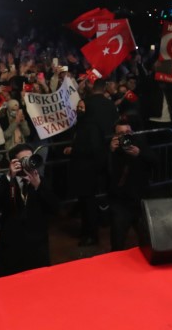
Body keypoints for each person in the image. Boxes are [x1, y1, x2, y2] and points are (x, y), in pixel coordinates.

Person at [0, 143, 58, 277]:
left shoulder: (41, 180)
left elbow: (55, 208)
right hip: (11, 247)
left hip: (37, 246)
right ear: (13, 162)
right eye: (23, 160)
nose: (28, 163)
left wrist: (38, 186)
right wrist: (9, 177)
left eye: (30, 158)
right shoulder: (6, 181)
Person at [64, 78, 118, 246]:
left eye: (80, 109)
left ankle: (91, 234)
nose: (78, 110)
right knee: (89, 198)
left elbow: (89, 144)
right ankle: (88, 230)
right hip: (100, 158)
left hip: (87, 163)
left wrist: (74, 150)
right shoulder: (108, 107)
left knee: (88, 199)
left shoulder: (89, 125)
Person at [106, 117, 154, 251]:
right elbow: (103, 172)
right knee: (117, 244)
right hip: (120, 204)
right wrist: (110, 152)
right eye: (121, 134)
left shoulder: (139, 144)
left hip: (140, 201)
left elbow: (155, 161)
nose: (125, 136)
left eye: (127, 132)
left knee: (148, 242)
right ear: (115, 136)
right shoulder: (112, 150)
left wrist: (140, 153)